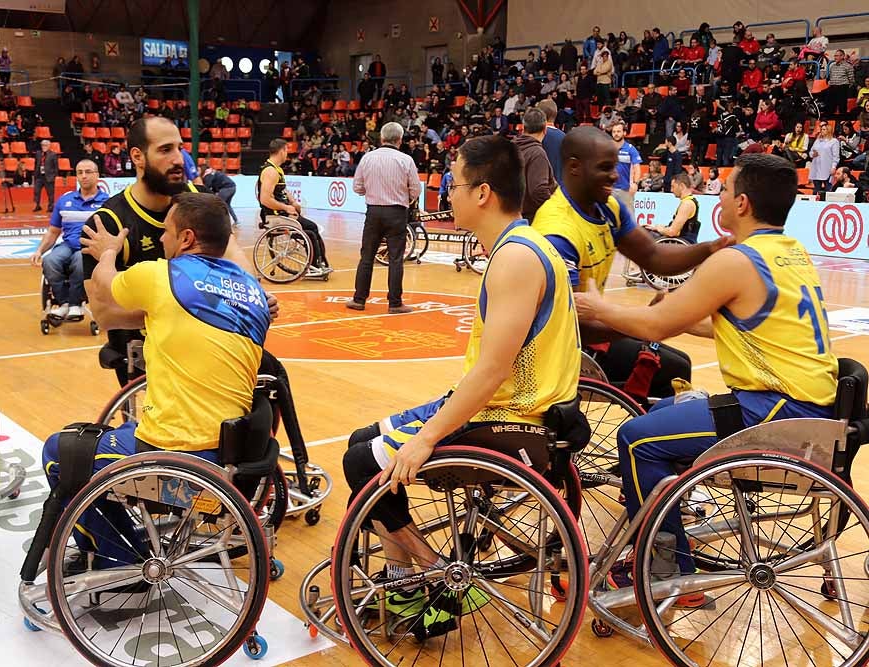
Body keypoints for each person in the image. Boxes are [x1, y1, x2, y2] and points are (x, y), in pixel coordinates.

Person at [343, 135, 580, 634]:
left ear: (483, 193)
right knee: (361, 444)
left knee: (363, 464)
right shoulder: (522, 246)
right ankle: (403, 583)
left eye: (454, 183)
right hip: (507, 406)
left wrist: (428, 437)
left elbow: (492, 372)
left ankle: (438, 576)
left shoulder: (516, 258)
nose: (446, 192)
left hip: (513, 419)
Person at [574, 153, 838, 593]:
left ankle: (668, 566)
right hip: (809, 403)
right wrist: (669, 310)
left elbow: (659, 328)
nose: (722, 194)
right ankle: (668, 522)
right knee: (672, 404)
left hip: (776, 410)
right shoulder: (790, 253)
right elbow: (731, 319)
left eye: (728, 188)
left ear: (743, 204)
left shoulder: (737, 261)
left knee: (636, 438)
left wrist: (600, 308)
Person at [42, 192, 271, 566]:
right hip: (231, 455)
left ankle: (119, 560)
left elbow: (103, 288)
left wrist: (107, 253)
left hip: (178, 456)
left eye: (167, 231)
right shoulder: (251, 289)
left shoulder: (162, 275)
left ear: (187, 239)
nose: (162, 239)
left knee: (59, 452)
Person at [533, 127, 729, 403]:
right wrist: (644, 322)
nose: (615, 175)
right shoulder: (558, 231)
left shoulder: (607, 207)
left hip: (589, 331)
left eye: (614, 166)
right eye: (605, 168)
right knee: (673, 369)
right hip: (560, 345)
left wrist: (710, 248)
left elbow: (654, 256)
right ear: (575, 167)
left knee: (678, 361)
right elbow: (573, 324)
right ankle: (646, 441)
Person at [81, 116, 211, 385]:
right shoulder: (108, 223)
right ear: (138, 157)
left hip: (203, 346)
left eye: (180, 147)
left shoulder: (199, 201)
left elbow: (235, 261)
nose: (179, 159)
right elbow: (104, 314)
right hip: (143, 358)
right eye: (165, 150)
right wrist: (194, 309)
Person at [348, 122, 420, 314]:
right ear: (400, 140)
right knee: (396, 259)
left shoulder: (367, 158)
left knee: (367, 257)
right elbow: (416, 189)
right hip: (397, 213)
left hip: (373, 212)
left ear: (381, 139)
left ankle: (359, 299)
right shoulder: (406, 160)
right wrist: (403, 196)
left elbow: (357, 187)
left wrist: (372, 191)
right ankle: (395, 303)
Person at [30, 159, 108, 320]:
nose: (83, 176)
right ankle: (64, 303)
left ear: (97, 175)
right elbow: (53, 231)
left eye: (88, 172)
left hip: (91, 247)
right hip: (68, 245)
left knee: (80, 262)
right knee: (50, 261)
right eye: (80, 173)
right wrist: (39, 250)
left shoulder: (107, 202)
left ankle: (75, 304)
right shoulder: (65, 201)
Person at [258, 138, 330, 276]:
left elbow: (283, 190)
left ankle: (319, 263)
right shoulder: (270, 172)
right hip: (275, 216)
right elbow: (265, 199)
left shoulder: (277, 169)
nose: (287, 154)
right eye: (286, 150)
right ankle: (315, 265)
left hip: (282, 213)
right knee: (310, 231)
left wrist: (293, 202)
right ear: (281, 151)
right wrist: (286, 208)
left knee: (312, 228)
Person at [513, 107, 556, 221]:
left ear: (523, 129)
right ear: (545, 129)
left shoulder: (510, 148)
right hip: (533, 219)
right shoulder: (537, 153)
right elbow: (538, 190)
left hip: (512, 216)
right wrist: (555, 208)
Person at [644, 173, 700, 243]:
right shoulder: (688, 201)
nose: (671, 190)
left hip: (682, 241)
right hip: (682, 238)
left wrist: (659, 229)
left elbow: (672, 232)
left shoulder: (687, 204)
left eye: (673, 187)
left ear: (682, 186)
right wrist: (657, 227)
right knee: (647, 230)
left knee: (644, 236)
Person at [611, 121, 641, 210]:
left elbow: (637, 168)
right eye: (614, 132)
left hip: (625, 190)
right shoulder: (608, 148)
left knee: (629, 219)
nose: (616, 134)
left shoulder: (630, 149)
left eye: (618, 131)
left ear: (624, 133)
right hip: (610, 189)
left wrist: (635, 184)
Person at [810, 120, 840, 200]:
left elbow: (836, 156)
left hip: (827, 169)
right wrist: (812, 154)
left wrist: (834, 167)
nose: (821, 131)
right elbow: (811, 151)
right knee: (816, 191)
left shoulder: (834, 141)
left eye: (823, 129)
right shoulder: (817, 141)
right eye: (821, 129)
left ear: (828, 130)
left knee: (828, 191)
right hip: (816, 169)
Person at [33, 139, 59, 212]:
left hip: (49, 176)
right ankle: (37, 205)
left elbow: (56, 167)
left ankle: (50, 207)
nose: (43, 147)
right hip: (39, 176)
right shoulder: (38, 153)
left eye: (45, 145)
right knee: (36, 192)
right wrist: (35, 173)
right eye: (42, 145)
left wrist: (54, 176)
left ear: (49, 146)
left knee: (50, 193)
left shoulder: (53, 154)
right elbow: (36, 164)